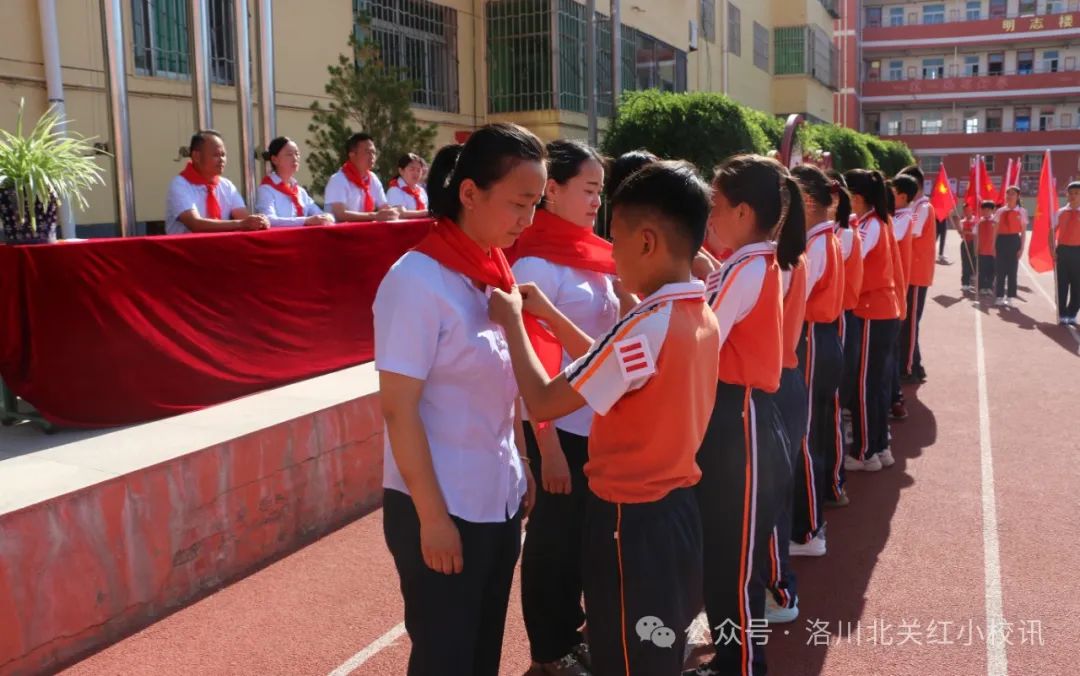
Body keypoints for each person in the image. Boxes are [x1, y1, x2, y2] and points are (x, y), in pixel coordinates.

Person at [489, 161, 719, 676]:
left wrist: (513, 324)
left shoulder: (643, 324)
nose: (610, 255)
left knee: (626, 659)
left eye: (614, 240)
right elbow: (608, 365)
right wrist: (549, 315)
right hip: (675, 511)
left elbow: (546, 400)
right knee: (655, 652)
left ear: (646, 241)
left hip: (628, 522)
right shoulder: (694, 311)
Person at [373, 123, 546, 676]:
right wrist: (433, 518)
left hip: (494, 496)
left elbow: (499, 388)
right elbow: (399, 409)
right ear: (469, 193)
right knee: (445, 657)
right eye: (520, 202)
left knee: (482, 653)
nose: (529, 219)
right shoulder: (417, 281)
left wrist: (519, 461)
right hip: (442, 505)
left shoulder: (492, 276)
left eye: (536, 204)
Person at [689, 155, 805, 676]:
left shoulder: (748, 265)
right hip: (736, 420)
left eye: (714, 204)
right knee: (726, 555)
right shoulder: (752, 261)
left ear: (741, 211)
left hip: (741, 420)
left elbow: (707, 337)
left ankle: (741, 666)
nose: (709, 216)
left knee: (734, 564)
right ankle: (734, 660)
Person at [510, 139, 618, 676]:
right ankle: (547, 652)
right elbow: (533, 366)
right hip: (559, 427)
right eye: (589, 189)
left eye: (601, 190)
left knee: (582, 540)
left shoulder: (590, 253)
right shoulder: (535, 261)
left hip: (595, 423)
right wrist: (546, 447)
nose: (598, 200)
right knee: (554, 543)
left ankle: (572, 636)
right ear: (552, 190)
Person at [788, 164, 847, 555]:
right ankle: (819, 508)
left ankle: (807, 531)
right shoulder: (826, 238)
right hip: (821, 337)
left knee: (806, 434)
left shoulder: (819, 243)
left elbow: (793, 295)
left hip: (811, 337)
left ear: (806, 201)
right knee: (818, 429)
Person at [844, 169, 901, 473]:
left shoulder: (867, 226)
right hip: (882, 309)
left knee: (865, 384)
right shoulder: (880, 221)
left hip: (870, 310)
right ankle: (879, 446)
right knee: (876, 384)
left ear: (857, 198)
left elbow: (851, 257)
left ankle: (865, 451)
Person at [166, 130, 268, 234]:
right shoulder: (180, 184)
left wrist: (258, 221)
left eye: (223, 155)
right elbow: (195, 224)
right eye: (216, 155)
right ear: (196, 156)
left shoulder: (226, 185)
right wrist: (241, 224)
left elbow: (244, 217)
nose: (222, 160)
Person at [899, 165, 933, 383]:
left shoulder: (923, 207)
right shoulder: (916, 206)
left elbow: (913, 231)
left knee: (911, 323)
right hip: (910, 270)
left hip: (916, 272)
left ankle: (910, 367)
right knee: (907, 322)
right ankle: (915, 363)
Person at [889, 174, 919, 420]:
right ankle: (894, 396)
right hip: (892, 290)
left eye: (892, 190)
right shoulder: (897, 217)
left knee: (890, 350)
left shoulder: (902, 219)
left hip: (893, 290)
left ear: (902, 196)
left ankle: (895, 397)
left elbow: (891, 237)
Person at [254, 136, 334, 227]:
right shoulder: (266, 190)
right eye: (289, 154)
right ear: (274, 159)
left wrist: (327, 217)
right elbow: (268, 220)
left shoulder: (299, 191)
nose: (295, 158)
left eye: (297, 154)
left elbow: (318, 213)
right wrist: (305, 221)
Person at [324, 132, 400, 222]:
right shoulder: (338, 180)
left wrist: (392, 212)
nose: (372, 156)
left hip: (365, 231)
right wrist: (374, 216)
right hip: (341, 233)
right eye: (368, 152)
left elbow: (384, 207)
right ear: (352, 154)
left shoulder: (372, 179)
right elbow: (340, 215)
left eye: (374, 152)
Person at [993, 186, 1028, 308]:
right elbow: (995, 230)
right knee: (1000, 270)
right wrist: (993, 246)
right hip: (1001, 241)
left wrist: (1022, 248)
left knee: (1012, 271)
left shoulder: (1022, 212)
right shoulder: (1000, 211)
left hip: (1014, 241)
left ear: (1018, 196)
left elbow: (1023, 232)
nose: (1009, 196)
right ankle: (999, 296)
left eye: (1012, 194)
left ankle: (1010, 296)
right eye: (1008, 194)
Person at [1053, 182, 1080, 325]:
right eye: (1071, 193)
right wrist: (1053, 249)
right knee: (1062, 284)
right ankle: (1062, 313)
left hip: (1078, 251)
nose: (1074, 196)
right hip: (1062, 251)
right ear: (1067, 195)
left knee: (1077, 285)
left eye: (1077, 193)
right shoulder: (1060, 212)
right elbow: (1051, 232)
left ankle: (1072, 313)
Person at [386, 153, 431, 218]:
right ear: (401, 171)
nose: (416, 173)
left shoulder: (421, 191)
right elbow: (400, 214)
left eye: (419, 170)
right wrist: (428, 213)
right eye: (412, 169)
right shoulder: (394, 190)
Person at [977, 200, 997, 296]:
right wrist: (976, 248)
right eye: (984, 210)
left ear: (993, 210)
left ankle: (989, 287)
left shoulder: (996, 221)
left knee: (991, 271)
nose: (986, 212)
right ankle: (981, 287)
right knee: (982, 271)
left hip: (992, 252)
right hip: (982, 251)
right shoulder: (979, 222)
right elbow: (975, 236)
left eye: (988, 210)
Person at [959, 204, 977, 292]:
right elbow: (962, 235)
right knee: (965, 263)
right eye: (965, 211)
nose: (967, 212)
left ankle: (972, 278)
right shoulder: (962, 221)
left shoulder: (976, 220)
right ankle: (965, 283)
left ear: (972, 210)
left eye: (969, 210)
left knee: (974, 261)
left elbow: (974, 232)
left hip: (974, 243)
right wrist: (963, 232)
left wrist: (966, 231)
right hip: (965, 243)